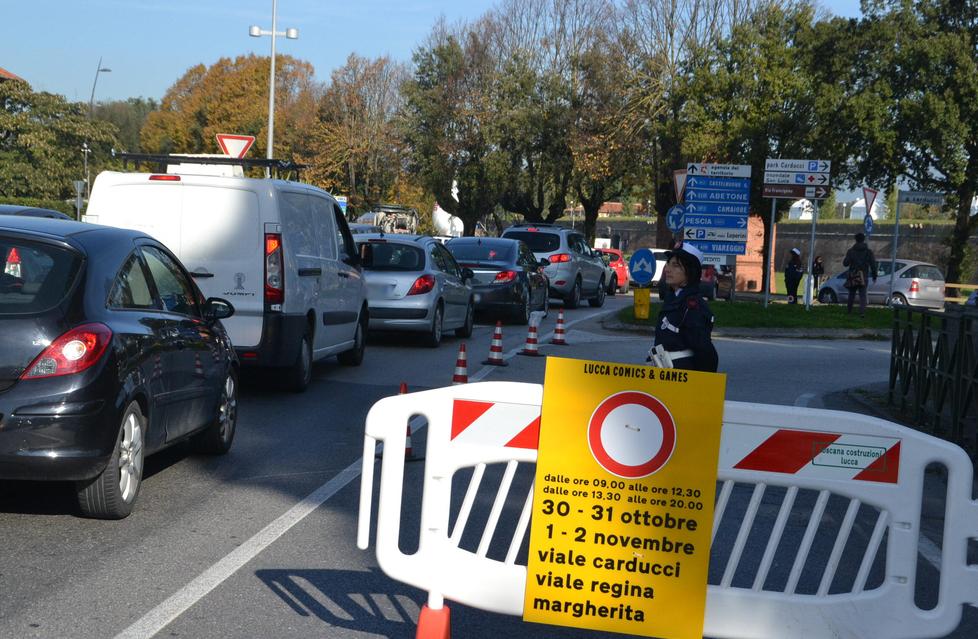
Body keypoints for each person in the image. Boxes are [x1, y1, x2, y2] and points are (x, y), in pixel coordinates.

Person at [647, 243, 719, 372]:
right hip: (665, 374)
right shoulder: (673, 298)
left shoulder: (693, 306)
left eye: (676, 266)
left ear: (690, 272)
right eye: (668, 264)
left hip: (682, 378)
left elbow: (704, 352)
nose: (668, 269)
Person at [843, 232, 877, 317]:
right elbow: (873, 264)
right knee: (863, 295)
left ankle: (849, 311)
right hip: (864, 275)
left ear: (855, 240)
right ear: (863, 239)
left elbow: (845, 263)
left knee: (851, 294)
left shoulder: (851, 251)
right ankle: (862, 312)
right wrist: (874, 275)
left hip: (853, 275)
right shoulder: (868, 252)